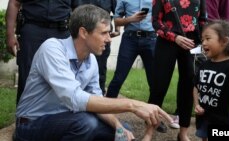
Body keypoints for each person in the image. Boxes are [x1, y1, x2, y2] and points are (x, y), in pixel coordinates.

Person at [14, 5, 173, 141]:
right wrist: (133, 105)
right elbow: (75, 98)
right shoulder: (52, 49)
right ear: (83, 33)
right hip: (31, 124)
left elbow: (96, 101)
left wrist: (118, 126)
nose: (109, 39)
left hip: (68, 120)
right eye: (103, 33)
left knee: (123, 130)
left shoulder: (91, 62)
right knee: (86, 123)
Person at [148, 0, 206, 140]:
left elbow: (202, 20)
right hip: (167, 41)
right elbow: (156, 21)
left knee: (188, 86)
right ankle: (149, 132)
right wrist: (175, 37)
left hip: (192, 43)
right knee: (159, 86)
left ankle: (183, 133)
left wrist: (204, 41)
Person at [5, 0, 80, 105]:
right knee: (27, 76)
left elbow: (77, 8)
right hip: (32, 31)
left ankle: (58, 117)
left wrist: (78, 37)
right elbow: (14, 3)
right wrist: (9, 34)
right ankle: (25, 118)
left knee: (62, 77)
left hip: (61, 32)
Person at [193, 20, 229, 141]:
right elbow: (195, 86)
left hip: (222, 121)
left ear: (224, 41)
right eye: (202, 39)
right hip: (203, 117)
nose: (203, 43)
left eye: (208, 38)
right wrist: (197, 104)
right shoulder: (204, 65)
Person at [105, 0, 156, 99]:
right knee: (119, 77)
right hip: (129, 40)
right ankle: (106, 108)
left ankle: (154, 111)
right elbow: (116, 20)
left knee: (154, 80)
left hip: (151, 39)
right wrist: (131, 19)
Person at [79, 0, 120, 95]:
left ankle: (99, 94)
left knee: (100, 68)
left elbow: (117, 11)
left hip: (101, 37)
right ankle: (78, 93)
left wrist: (117, 29)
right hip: (82, 36)